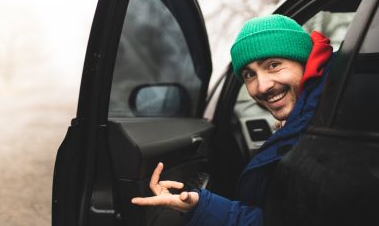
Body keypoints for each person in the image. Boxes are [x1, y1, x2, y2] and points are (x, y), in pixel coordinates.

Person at [131, 14, 333, 225]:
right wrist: (198, 205)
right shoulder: (318, 113)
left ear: (303, 61)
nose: (262, 86)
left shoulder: (328, 127)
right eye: (249, 75)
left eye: (273, 65)